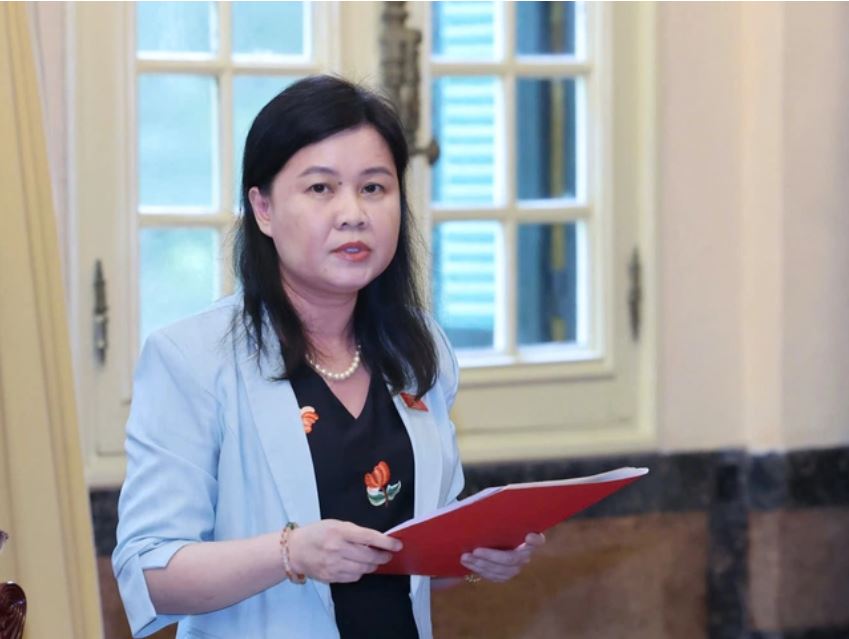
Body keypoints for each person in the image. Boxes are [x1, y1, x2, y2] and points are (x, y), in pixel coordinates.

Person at [112, 75, 545, 639]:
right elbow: (149, 575)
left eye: (374, 188)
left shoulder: (419, 347)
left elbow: (409, 556)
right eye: (321, 188)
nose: (353, 213)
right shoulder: (191, 358)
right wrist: (290, 552)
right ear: (263, 208)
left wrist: (476, 554)